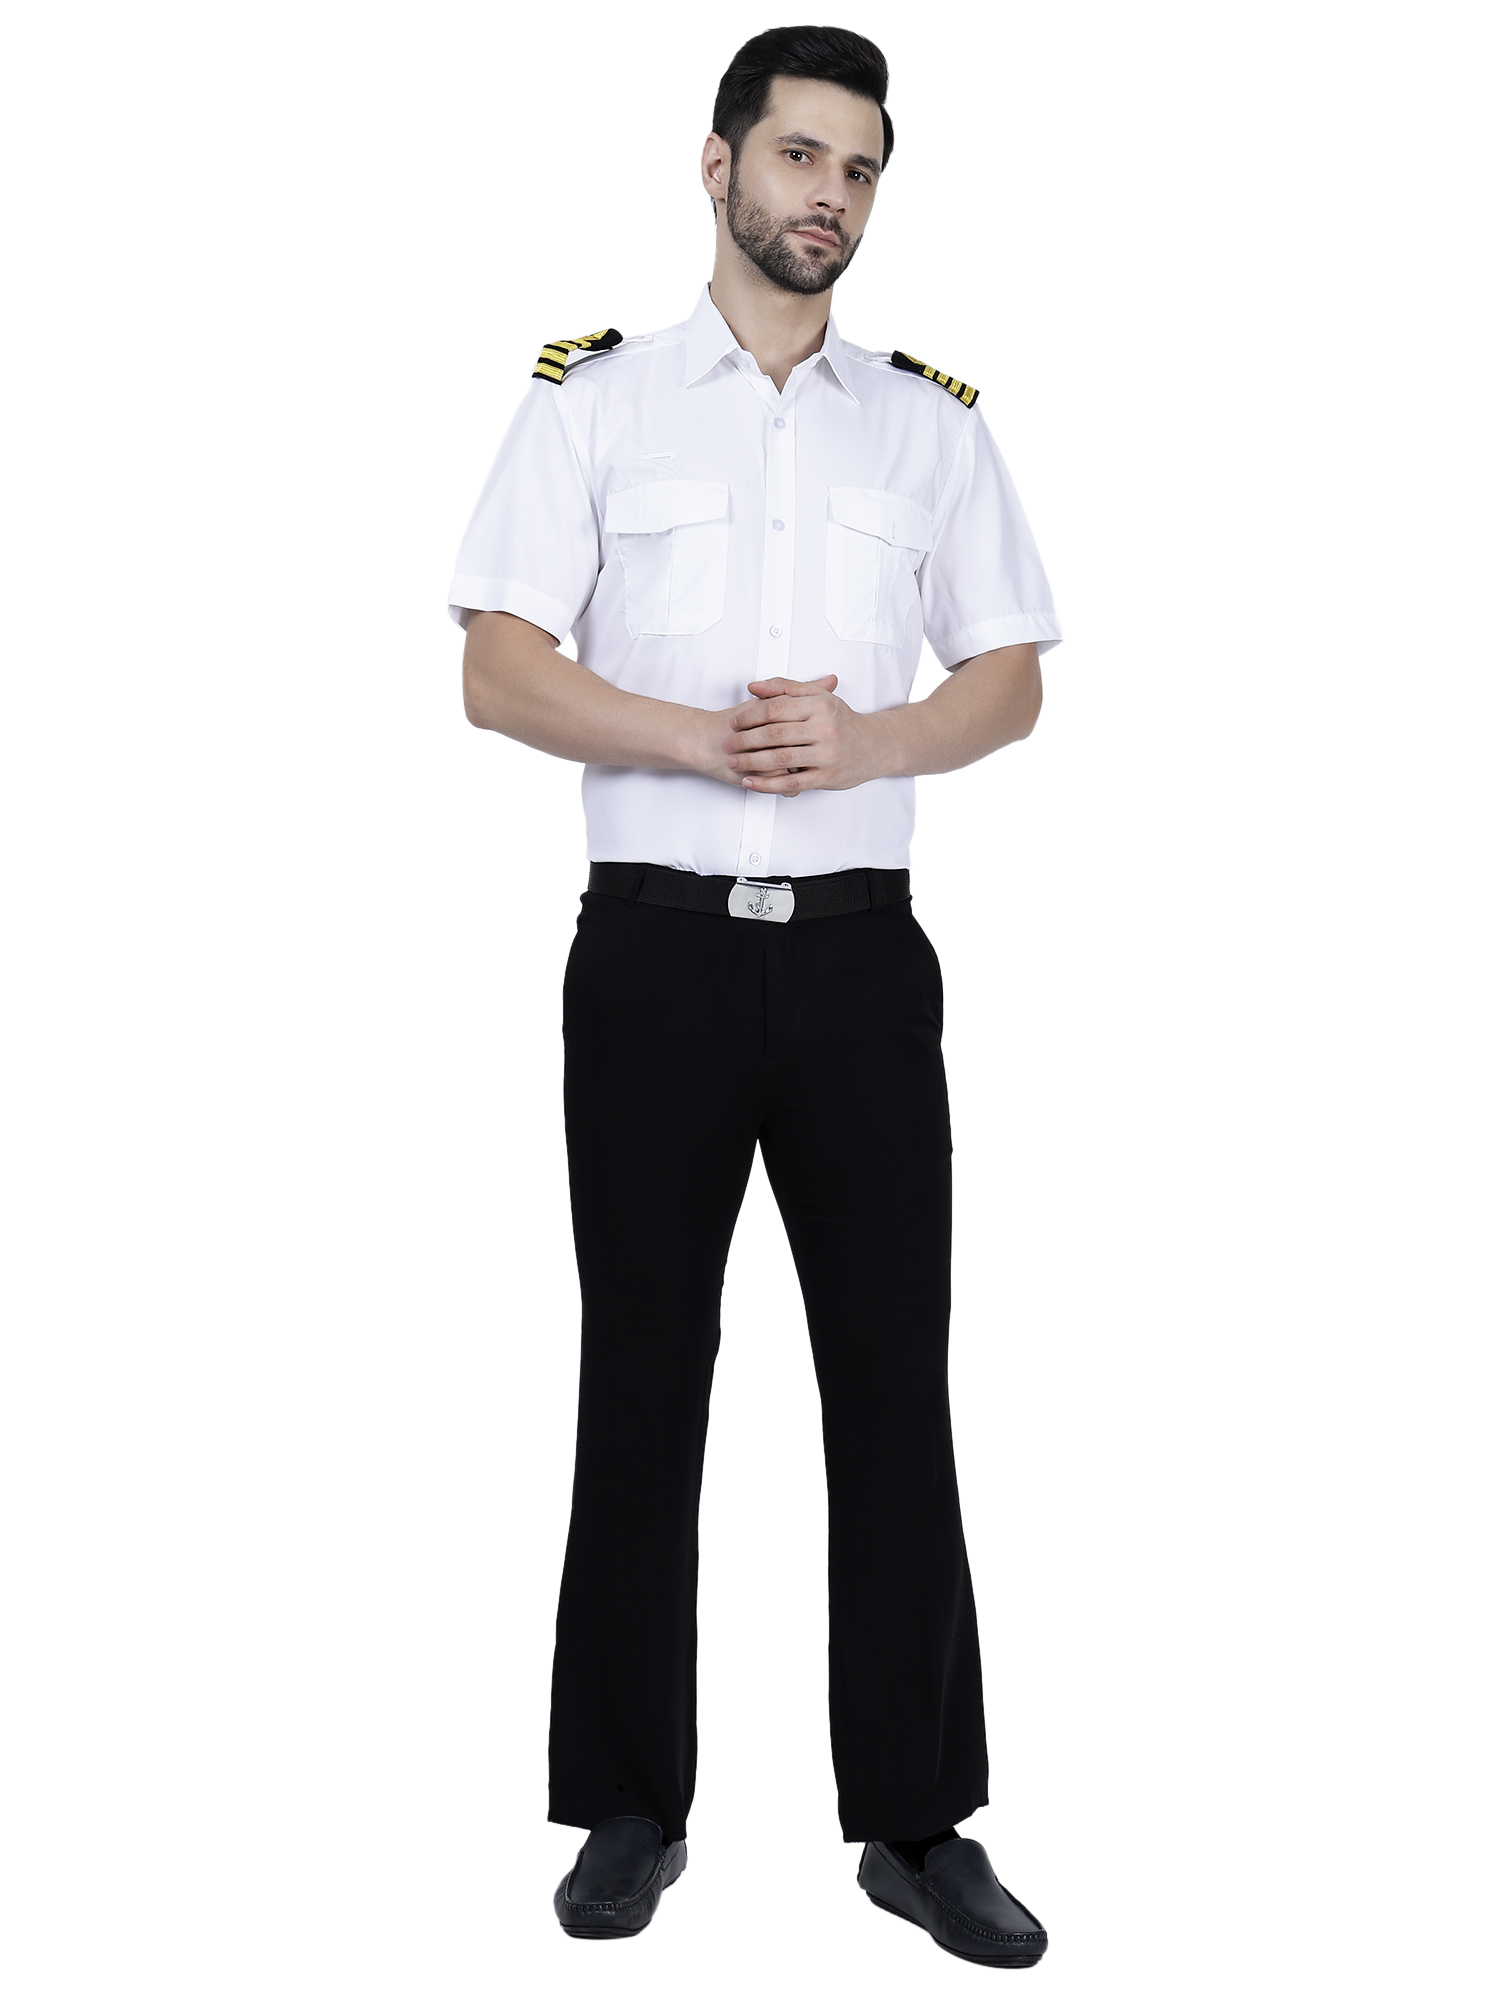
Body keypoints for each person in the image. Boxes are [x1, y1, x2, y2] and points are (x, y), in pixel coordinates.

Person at [450, 25, 1060, 1969]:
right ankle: (630, 1806)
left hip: (865, 965)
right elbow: (496, 667)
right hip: (655, 955)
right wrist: (696, 737)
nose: (831, 197)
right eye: (800, 155)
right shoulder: (593, 403)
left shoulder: (928, 425)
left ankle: (918, 1823)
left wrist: (874, 735)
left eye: (859, 169)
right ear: (716, 166)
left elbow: (1010, 676)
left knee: (892, 1381)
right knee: (645, 1372)